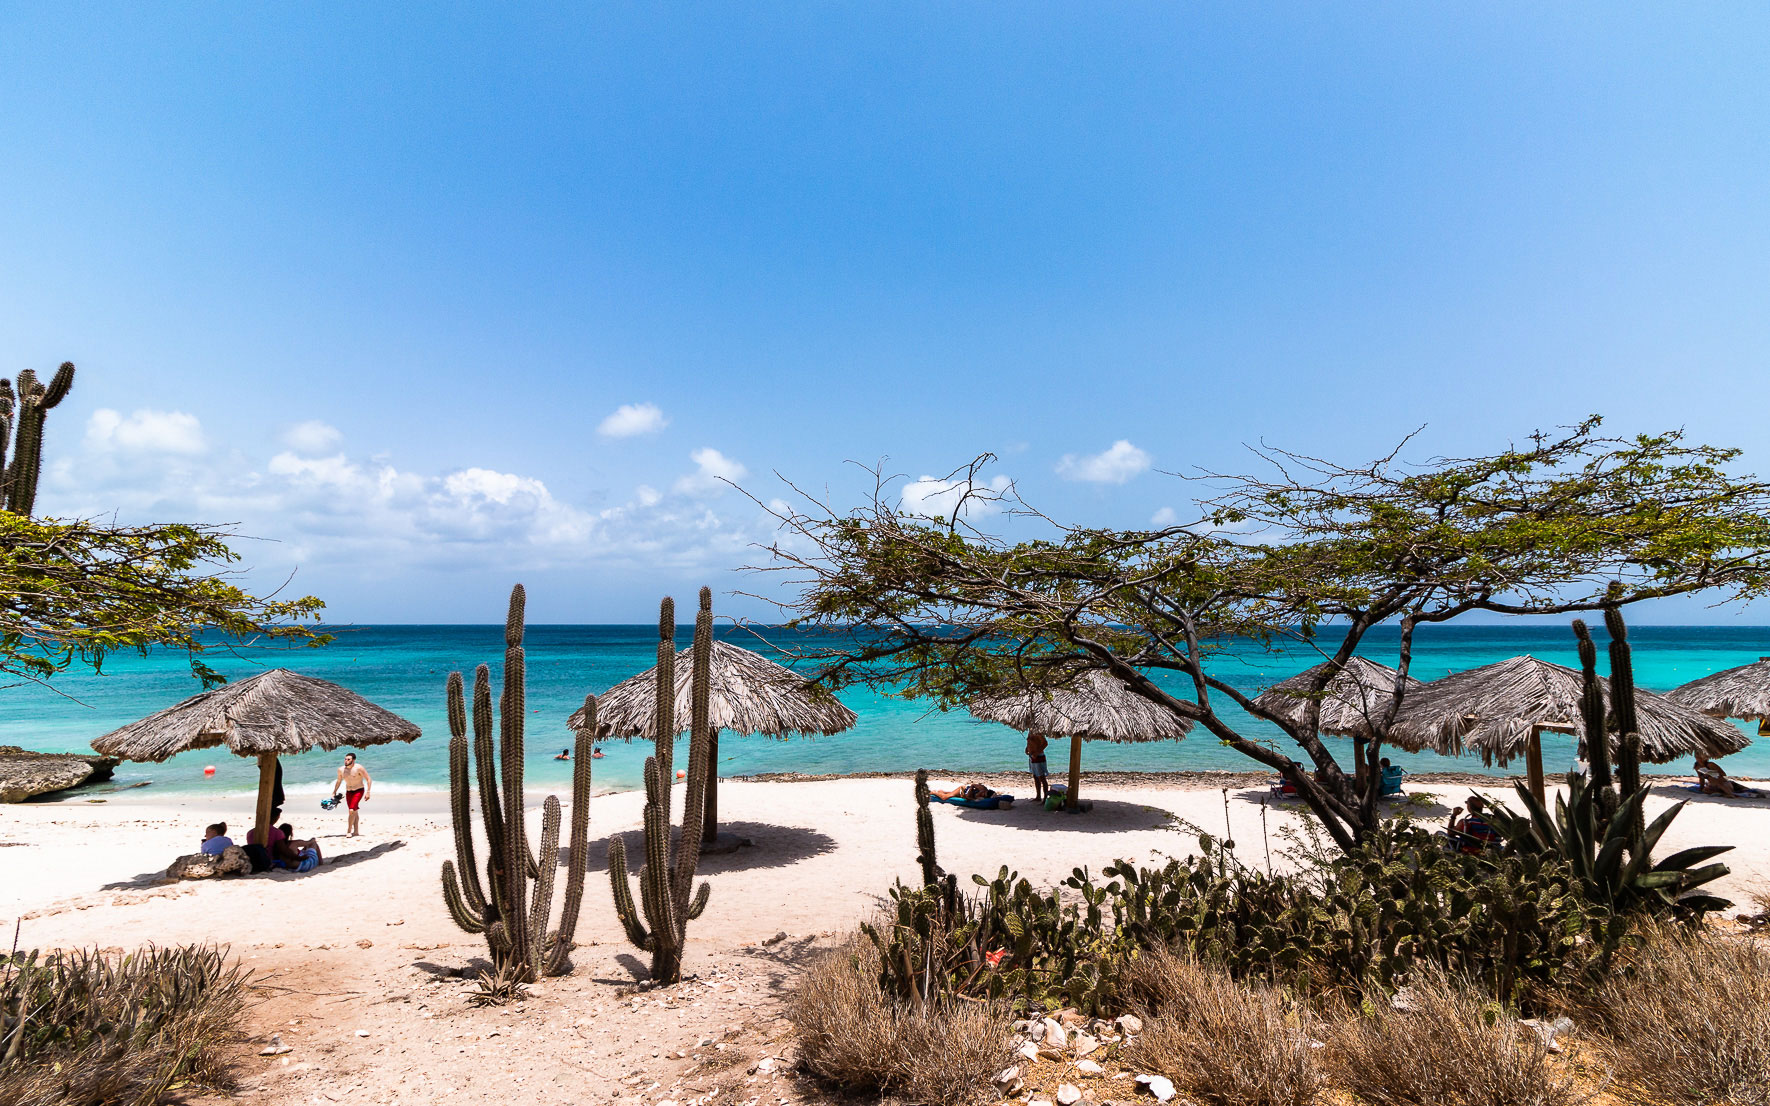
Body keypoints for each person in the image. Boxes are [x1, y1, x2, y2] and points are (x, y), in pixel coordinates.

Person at [332, 752, 372, 836]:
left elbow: (368, 779)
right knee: (354, 812)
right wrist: (334, 791)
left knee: (351, 810)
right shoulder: (341, 770)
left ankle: (349, 831)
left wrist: (368, 792)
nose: (346, 761)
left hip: (359, 790)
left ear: (353, 760)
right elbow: (338, 781)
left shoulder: (359, 768)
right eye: (345, 759)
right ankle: (356, 831)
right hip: (349, 792)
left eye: (348, 759)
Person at [1695, 754, 1765, 798]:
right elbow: (1701, 779)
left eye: (1700, 757)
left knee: (1718, 782)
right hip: (1713, 785)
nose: (1699, 759)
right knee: (1705, 790)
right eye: (1697, 756)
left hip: (1723, 783)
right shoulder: (1697, 766)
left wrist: (1710, 773)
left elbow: (1723, 775)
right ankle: (1724, 793)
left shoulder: (1710, 765)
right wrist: (1700, 789)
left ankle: (1730, 794)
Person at [1026, 731, 1050, 802]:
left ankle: (1045, 798)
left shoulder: (1038, 731)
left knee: (1041, 777)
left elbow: (1045, 743)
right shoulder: (1030, 731)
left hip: (1038, 757)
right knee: (1035, 776)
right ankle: (1038, 796)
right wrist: (1027, 748)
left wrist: (1037, 753)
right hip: (1032, 756)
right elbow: (1031, 742)